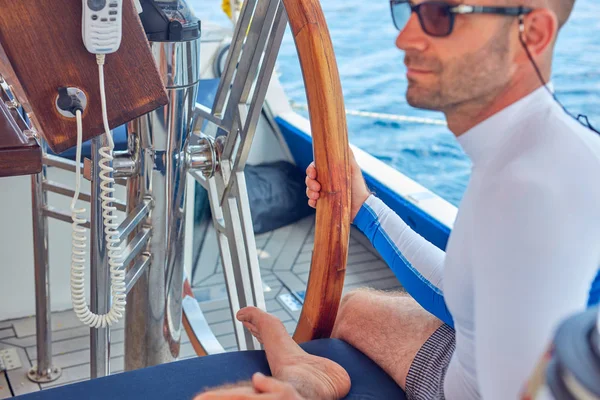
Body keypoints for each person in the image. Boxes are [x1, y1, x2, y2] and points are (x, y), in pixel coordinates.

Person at [197, 0, 600, 398]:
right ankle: (308, 376)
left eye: (441, 15)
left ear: (533, 33)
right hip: (471, 359)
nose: (404, 37)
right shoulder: (533, 152)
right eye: (406, 9)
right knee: (351, 309)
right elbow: (467, 296)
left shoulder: (533, 193)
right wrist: (363, 208)